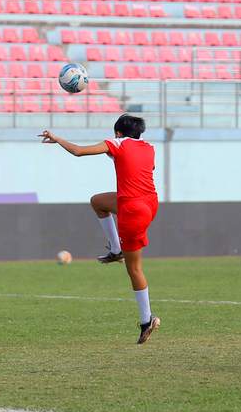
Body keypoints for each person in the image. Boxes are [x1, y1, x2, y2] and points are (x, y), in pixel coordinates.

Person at [40, 114, 161, 344]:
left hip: (133, 210)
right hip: (148, 203)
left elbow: (78, 151)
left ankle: (147, 320)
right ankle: (116, 249)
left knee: (134, 269)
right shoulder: (149, 147)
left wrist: (56, 138)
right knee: (98, 202)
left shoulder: (116, 142)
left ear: (118, 132)